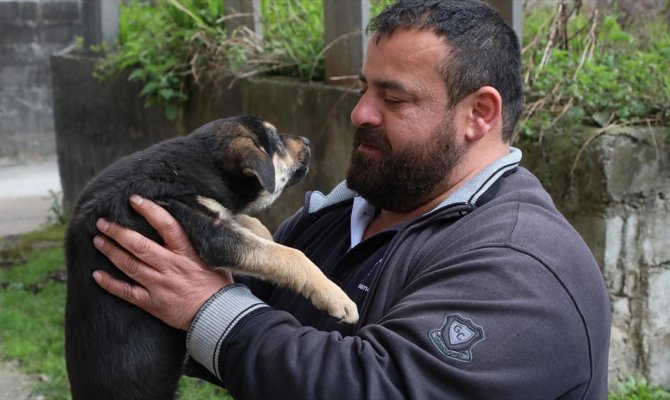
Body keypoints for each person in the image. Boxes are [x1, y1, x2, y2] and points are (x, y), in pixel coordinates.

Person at [90, 0, 611, 398]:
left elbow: (376, 386)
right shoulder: (340, 216)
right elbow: (242, 340)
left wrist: (207, 307)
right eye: (364, 89)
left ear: (479, 114)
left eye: (394, 97)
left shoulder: (522, 264)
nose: (360, 112)